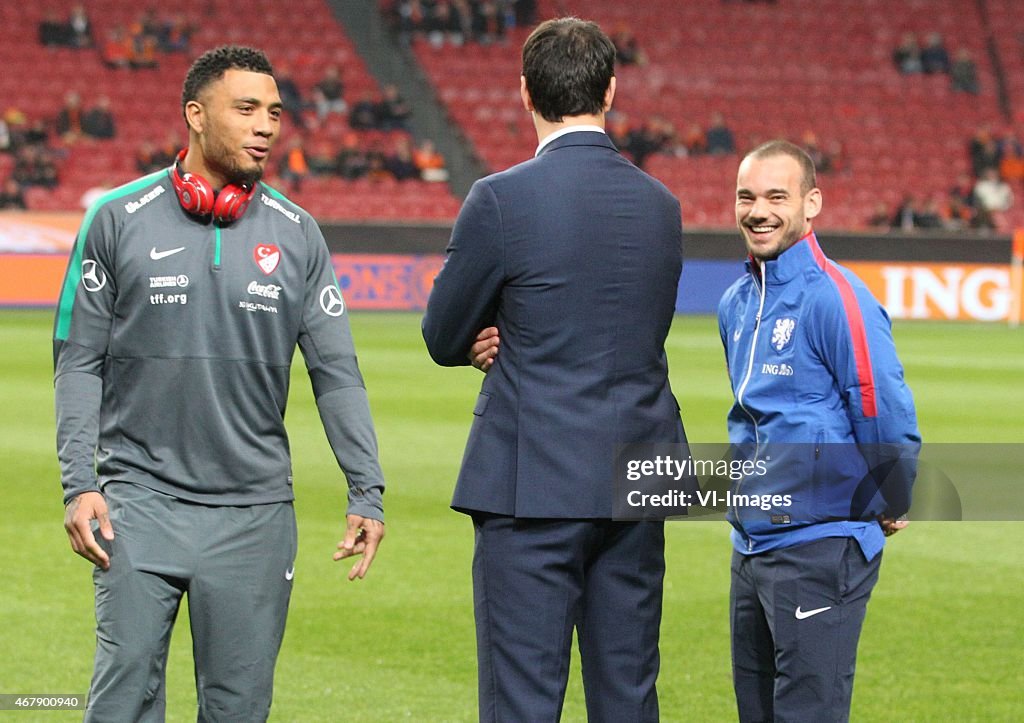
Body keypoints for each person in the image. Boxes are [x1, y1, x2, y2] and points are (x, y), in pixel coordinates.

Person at [53, 45, 385, 722]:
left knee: (238, 710)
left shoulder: (299, 234)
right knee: (121, 703)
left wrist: (367, 488)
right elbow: (79, 359)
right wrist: (78, 481)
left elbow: (337, 372)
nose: (267, 125)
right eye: (247, 109)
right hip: (138, 503)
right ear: (196, 116)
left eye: (274, 112)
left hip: (255, 516)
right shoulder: (116, 218)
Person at [422, 17, 690, 722]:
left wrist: (487, 335)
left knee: (522, 700)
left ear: (524, 94)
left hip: (532, 478)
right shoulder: (662, 207)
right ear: (610, 89)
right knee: (629, 694)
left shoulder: (501, 199)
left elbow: (443, 331)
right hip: (638, 475)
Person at [717, 140, 920, 722]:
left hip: (819, 544)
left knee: (808, 713)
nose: (759, 211)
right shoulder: (736, 303)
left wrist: (890, 496)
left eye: (776, 196)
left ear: (812, 204)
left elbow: (885, 411)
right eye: (746, 196)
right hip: (751, 547)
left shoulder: (837, 297)